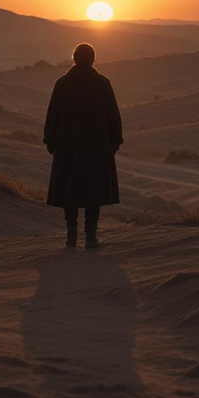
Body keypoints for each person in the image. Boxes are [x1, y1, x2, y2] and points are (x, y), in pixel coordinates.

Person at [43, 43, 123, 248]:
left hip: (67, 146)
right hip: (96, 147)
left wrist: (51, 142)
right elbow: (113, 115)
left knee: (69, 192)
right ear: (93, 59)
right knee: (93, 191)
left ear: (74, 59)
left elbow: (52, 116)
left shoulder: (61, 84)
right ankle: (90, 237)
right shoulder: (103, 83)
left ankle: (71, 236)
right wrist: (115, 141)